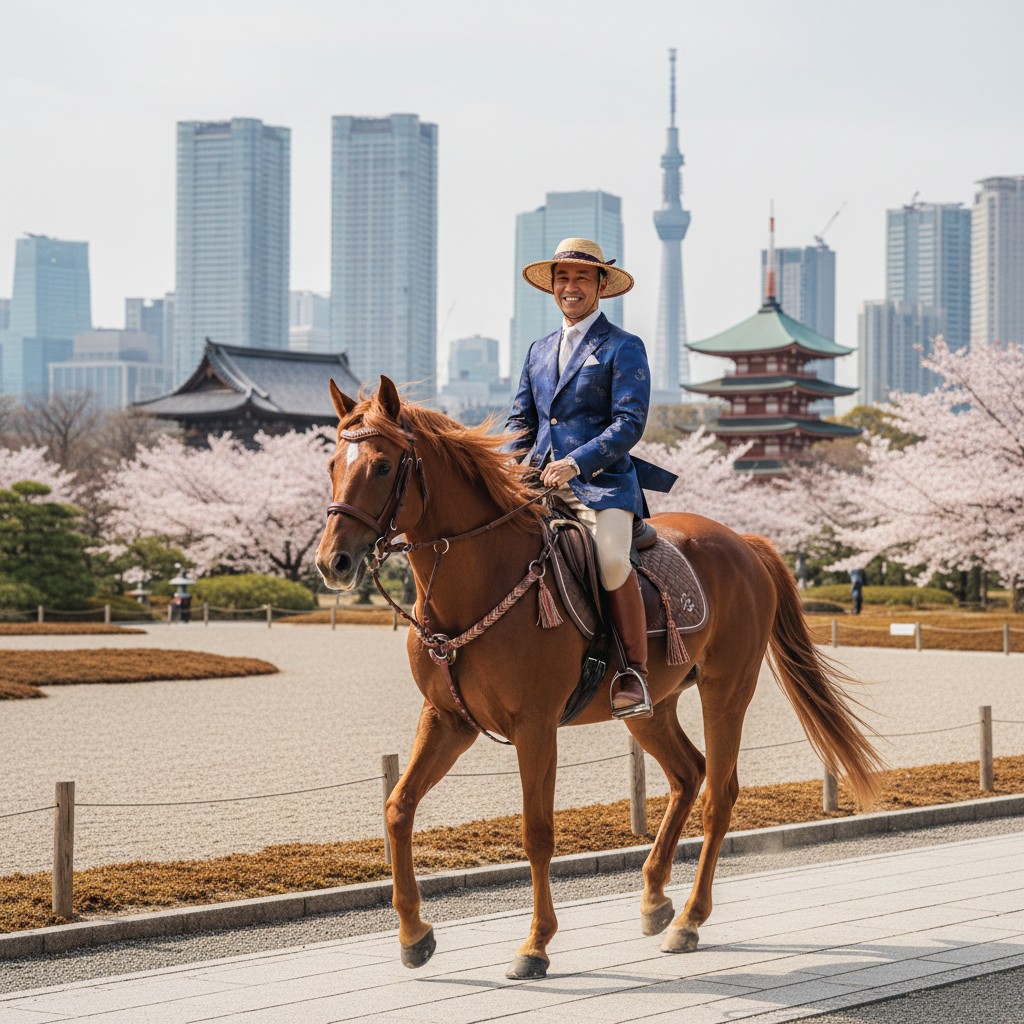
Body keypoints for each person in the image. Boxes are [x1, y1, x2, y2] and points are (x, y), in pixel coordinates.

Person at [506, 237, 676, 720]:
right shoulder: (538, 350)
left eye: (581, 277)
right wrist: (508, 466)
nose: (571, 286)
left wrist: (576, 463)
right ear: (552, 287)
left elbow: (628, 422)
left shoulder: (624, 346)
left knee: (612, 561)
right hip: (537, 482)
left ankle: (633, 673)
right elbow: (521, 421)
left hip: (601, 484)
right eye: (562, 278)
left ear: (601, 285)